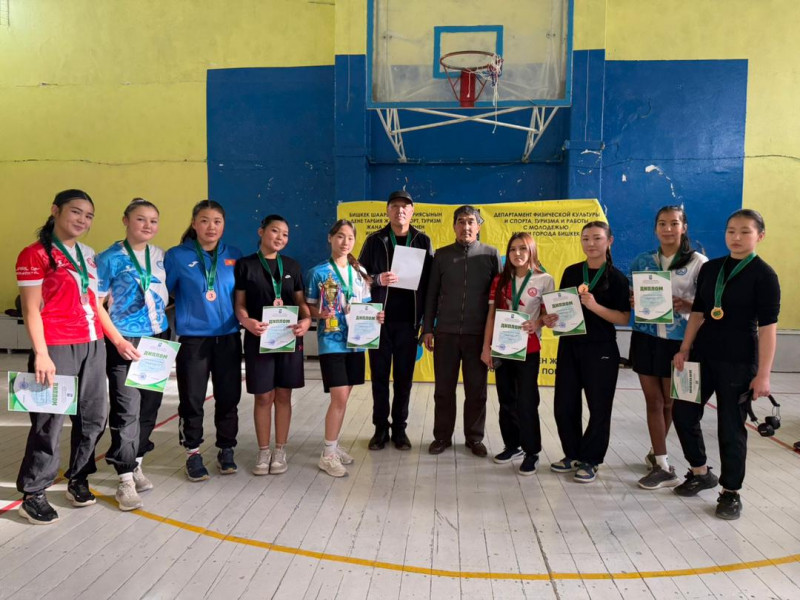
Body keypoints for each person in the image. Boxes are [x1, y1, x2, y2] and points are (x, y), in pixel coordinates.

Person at [15, 190, 140, 525]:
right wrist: (41, 354)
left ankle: (78, 477)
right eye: (76, 212)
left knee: (94, 417)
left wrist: (117, 340)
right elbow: (30, 309)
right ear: (55, 210)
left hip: (92, 344)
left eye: (89, 215)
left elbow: (95, 305)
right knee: (50, 422)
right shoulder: (34, 254)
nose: (83, 220)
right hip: (56, 346)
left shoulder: (88, 255)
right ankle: (34, 492)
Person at [672, 209, 780, 520]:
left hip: (739, 360)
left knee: (730, 428)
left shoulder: (764, 275)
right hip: (702, 355)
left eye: (745, 231)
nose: (736, 237)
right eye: (731, 230)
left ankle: (730, 491)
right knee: (683, 412)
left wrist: (763, 375)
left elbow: (768, 329)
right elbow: (698, 312)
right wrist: (685, 348)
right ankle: (700, 471)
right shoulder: (711, 268)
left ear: (760, 236)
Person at [96, 198, 170, 510]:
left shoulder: (160, 255)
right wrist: (117, 340)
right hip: (124, 340)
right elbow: (96, 304)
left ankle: (137, 461)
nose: (148, 225)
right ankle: (124, 478)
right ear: (125, 220)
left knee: (150, 407)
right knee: (127, 408)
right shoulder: (109, 258)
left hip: (157, 338)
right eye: (141, 219)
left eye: (153, 220)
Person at [629, 206, 708, 490]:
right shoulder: (642, 260)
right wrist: (634, 300)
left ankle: (657, 451)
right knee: (653, 401)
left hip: (679, 342)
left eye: (674, 223)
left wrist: (687, 305)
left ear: (684, 227)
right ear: (655, 228)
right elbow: (633, 295)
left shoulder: (698, 262)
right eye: (662, 223)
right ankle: (662, 464)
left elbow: (706, 306)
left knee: (670, 403)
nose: (668, 229)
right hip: (645, 337)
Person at [164, 200, 243, 482]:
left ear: (224, 225)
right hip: (194, 340)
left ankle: (226, 448)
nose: (211, 227)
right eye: (205, 221)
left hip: (228, 337)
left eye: (217, 221)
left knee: (229, 397)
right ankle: (193, 452)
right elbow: (164, 295)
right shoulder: (176, 256)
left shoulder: (234, 255)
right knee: (192, 398)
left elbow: (243, 295)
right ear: (194, 223)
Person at [549, 221, 630, 483]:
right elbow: (562, 306)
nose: (591, 243)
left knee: (599, 407)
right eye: (586, 238)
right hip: (570, 345)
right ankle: (572, 453)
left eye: (597, 238)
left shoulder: (617, 278)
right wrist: (552, 317)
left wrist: (594, 306)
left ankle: (591, 459)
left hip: (600, 348)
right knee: (564, 404)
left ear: (609, 241)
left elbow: (623, 318)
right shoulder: (572, 271)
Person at [306, 220, 384, 477]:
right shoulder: (318, 273)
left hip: (357, 343)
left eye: (350, 238)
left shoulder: (360, 271)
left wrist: (376, 316)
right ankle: (327, 455)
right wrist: (320, 313)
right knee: (338, 398)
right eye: (340, 236)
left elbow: (366, 306)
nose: (345, 242)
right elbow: (309, 307)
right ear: (330, 238)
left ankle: (333, 445)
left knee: (344, 398)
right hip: (331, 341)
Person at [234, 215, 311, 475]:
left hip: (288, 338)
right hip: (259, 338)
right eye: (275, 231)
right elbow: (240, 304)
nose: (280, 237)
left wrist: (307, 320)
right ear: (261, 232)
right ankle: (263, 450)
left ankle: (280, 450)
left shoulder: (292, 266)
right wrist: (246, 321)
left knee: (284, 395)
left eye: (285, 234)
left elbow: (300, 302)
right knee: (263, 396)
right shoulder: (245, 265)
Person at [422, 205, 502, 457]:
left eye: (470, 222)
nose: (466, 227)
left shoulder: (491, 255)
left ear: (478, 226)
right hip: (445, 333)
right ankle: (442, 437)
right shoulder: (442, 255)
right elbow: (431, 294)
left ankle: (474, 438)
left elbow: (500, 298)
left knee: (477, 391)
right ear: (454, 226)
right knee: (443, 390)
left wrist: (495, 337)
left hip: (478, 336)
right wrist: (428, 329)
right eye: (461, 222)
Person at [358, 190, 433, 451]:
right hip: (378, 322)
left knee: (404, 379)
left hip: (409, 323)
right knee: (379, 378)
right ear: (388, 210)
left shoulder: (422, 240)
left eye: (405, 207)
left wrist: (427, 322)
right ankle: (380, 428)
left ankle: (400, 428)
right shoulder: (374, 240)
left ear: (412, 211)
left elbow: (430, 283)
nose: (400, 210)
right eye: (395, 206)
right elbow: (359, 277)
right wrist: (378, 279)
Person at [480, 233, 554, 474]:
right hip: (503, 348)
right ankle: (512, 446)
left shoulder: (544, 279)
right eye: (512, 249)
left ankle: (532, 451)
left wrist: (537, 323)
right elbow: (492, 316)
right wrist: (486, 348)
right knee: (506, 400)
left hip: (528, 350)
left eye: (523, 248)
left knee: (527, 401)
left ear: (531, 250)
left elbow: (549, 316)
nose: (517, 253)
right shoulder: (500, 279)